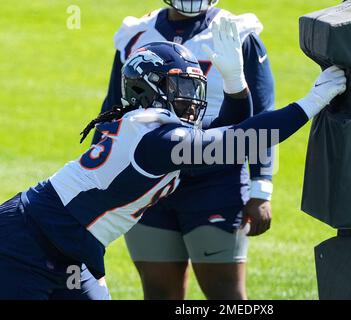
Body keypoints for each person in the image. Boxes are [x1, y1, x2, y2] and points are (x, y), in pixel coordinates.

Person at [0, 18, 346, 299]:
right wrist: (310, 104)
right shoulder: (156, 138)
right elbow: (241, 142)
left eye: (194, 88)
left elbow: (229, 132)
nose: (192, 99)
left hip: (70, 249)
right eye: (180, 88)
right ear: (148, 88)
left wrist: (234, 84)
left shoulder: (151, 129)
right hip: (25, 243)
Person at [96, 0, 276, 300]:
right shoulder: (135, 33)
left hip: (214, 179)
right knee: (158, 293)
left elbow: (262, 114)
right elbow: (114, 108)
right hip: (148, 180)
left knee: (226, 295)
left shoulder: (238, 31)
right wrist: (99, 182)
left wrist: (261, 187)